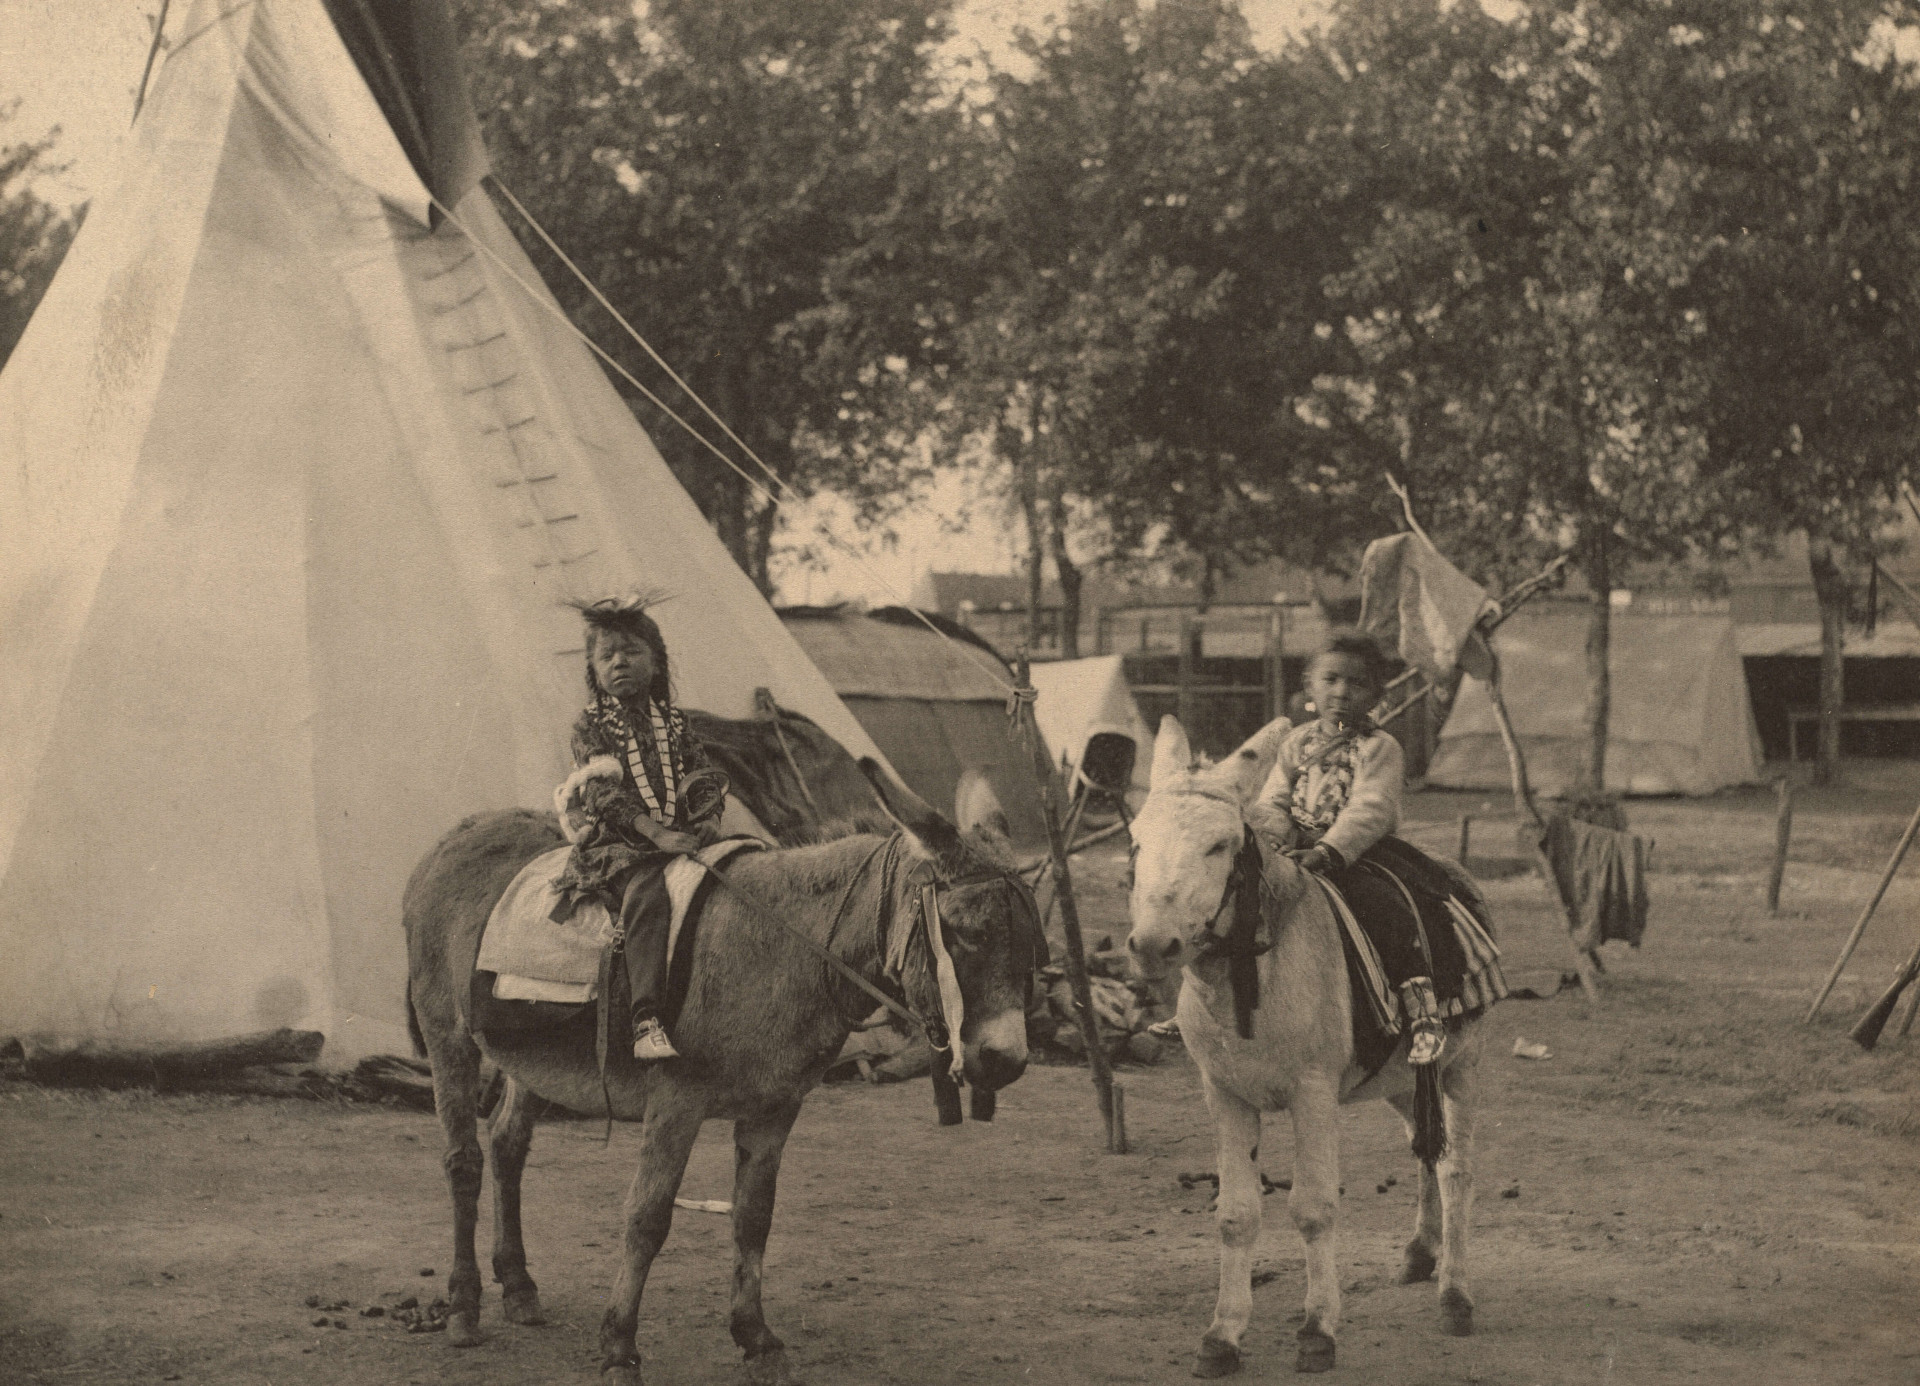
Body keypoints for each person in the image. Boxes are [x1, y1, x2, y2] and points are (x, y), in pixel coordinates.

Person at [1254, 629, 1449, 1065]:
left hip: (1358, 853)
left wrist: (1327, 852)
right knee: (1242, 896)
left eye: (1356, 683)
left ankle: (1422, 1015)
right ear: (1309, 686)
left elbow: (1371, 808)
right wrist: (1274, 836)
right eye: (1330, 680)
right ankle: (1229, 1000)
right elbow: (1274, 797)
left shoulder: (1380, 748)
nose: (1341, 692)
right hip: (1295, 849)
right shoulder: (1296, 743)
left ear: (1377, 694)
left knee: (1385, 908)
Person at [552, 596, 728, 1062]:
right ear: (593, 669)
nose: (619, 662)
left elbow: (701, 773)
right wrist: (657, 834)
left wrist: (707, 817)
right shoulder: (591, 725)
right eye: (606, 655)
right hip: (619, 845)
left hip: (679, 835)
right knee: (648, 894)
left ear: (656, 659)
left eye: (631, 651)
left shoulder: (674, 721)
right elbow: (602, 794)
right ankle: (645, 1020)